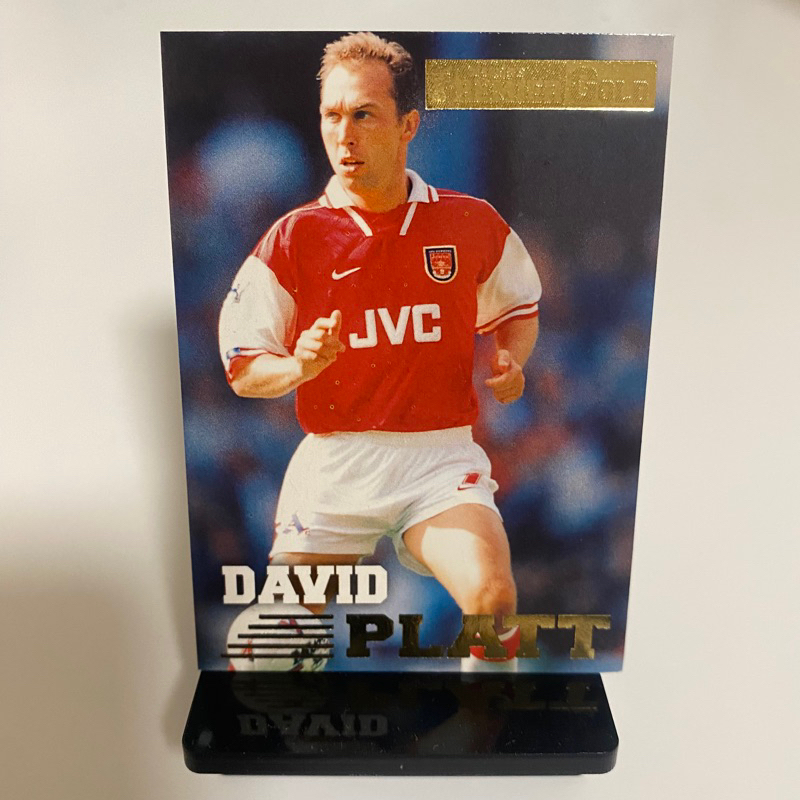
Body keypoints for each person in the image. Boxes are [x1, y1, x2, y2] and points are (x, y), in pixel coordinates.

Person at [218, 32, 541, 669]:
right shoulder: (292, 238)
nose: (345, 135)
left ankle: (485, 723)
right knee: (274, 647)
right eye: (332, 116)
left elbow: (518, 312)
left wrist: (511, 358)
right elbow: (244, 370)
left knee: (493, 599)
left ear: (407, 125)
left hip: (438, 460)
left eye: (364, 115)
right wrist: (298, 366)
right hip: (338, 463)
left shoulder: (470, 222)